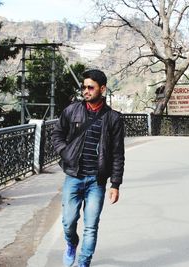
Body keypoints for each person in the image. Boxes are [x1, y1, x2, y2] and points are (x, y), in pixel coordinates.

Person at [51, 69, 125, 267]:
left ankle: (84, 262)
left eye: (90, 87)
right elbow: (56, 134)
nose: (86, 91)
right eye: (83, 87)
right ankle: (71, 243)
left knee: (91, 226)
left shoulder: (114, 118)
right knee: (68, 222)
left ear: (102, 88)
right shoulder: (72, 110)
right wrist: (65, 152)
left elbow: (118, 154)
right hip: (74, 176)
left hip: (96, 181)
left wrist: (115, 184)